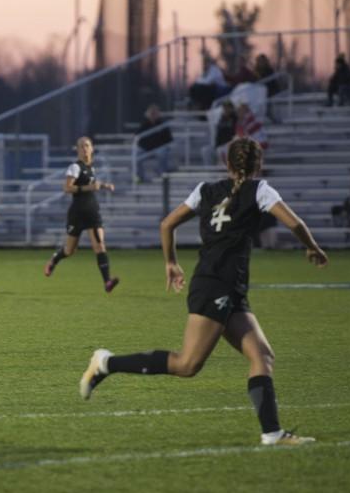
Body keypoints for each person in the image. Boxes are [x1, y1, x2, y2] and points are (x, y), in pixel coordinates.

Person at [79, 138, 328, 446]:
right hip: (215, 285)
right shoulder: (260, 190)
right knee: (187, 365)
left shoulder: (205, 190)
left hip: (229, 287)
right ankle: (106, 363)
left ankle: (272, 433)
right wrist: (313, 248)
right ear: (257, 165)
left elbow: (167, 224)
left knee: (262, 355)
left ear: (227, 163)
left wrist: (171, 262)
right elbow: (295, 222)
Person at [44, 136, 119, 293]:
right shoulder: (75, 167)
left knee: (100, 245)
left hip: (92, 211)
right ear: (77, 150)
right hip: (77, 213)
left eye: (87, 145)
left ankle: (107, 281)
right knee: (70, 250)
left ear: (92, 148)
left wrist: (105, 186)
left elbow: (93, 185)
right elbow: (67, 188)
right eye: (81, 146)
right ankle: (54, 260)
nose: (85, 149)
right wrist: (89, 188)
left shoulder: (92, 168)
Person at [135, 104, 174, 182]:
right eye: (151, 113)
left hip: (159, 148)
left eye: (154, 113)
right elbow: (138, 138)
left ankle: (162, 176)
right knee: (136, 155)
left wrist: (158, 144)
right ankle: (140, 177)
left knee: (162, 152)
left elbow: (169, 139)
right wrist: (147, 146)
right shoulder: (144, 124)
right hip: (147, 149)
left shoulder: (162, 125)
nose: (153, 115)